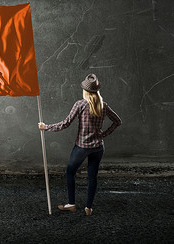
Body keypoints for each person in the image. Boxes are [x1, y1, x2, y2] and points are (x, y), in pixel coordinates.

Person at [38, 74, 121, 216]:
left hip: (82, 147)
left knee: (70, 172)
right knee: (92, 176)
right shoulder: (103, 105)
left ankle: (71, 204)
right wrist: (104, 134)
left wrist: (46, 127)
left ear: (85, 91)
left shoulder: (80, 104)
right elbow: (117, 121)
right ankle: (89, 208)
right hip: (98, 147)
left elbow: (65, 124)